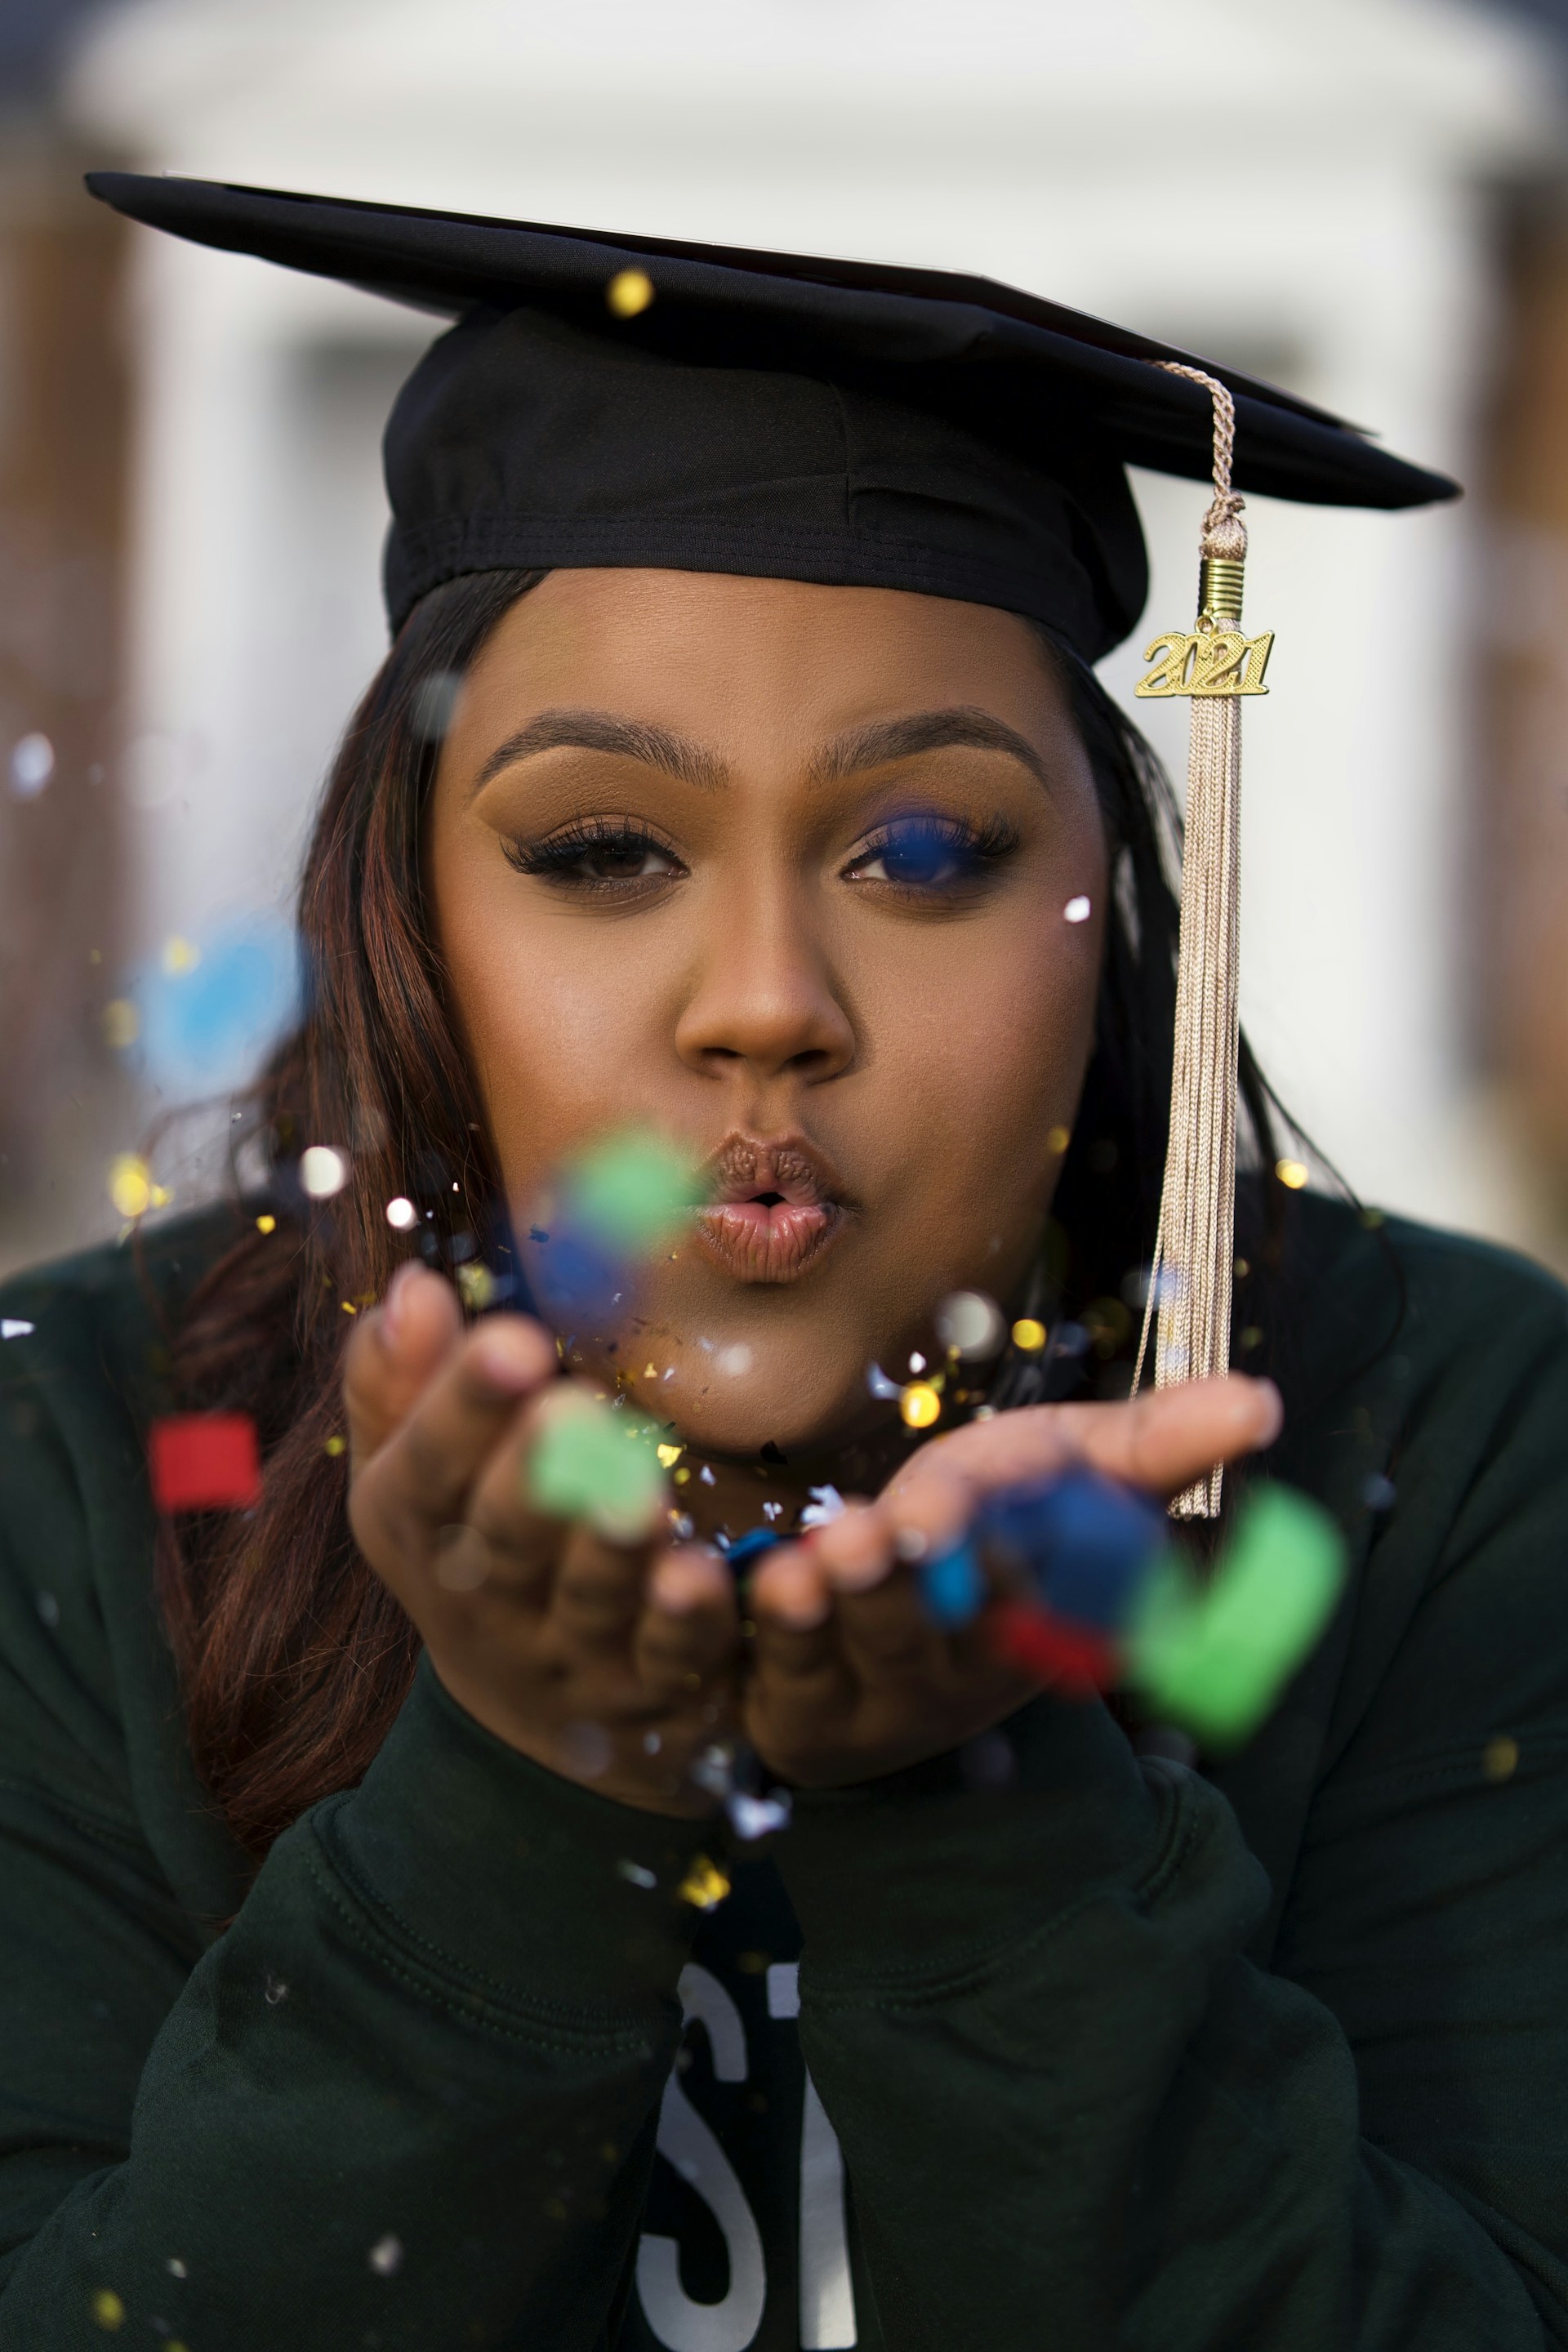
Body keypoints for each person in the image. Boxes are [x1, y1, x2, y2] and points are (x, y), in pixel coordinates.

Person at [0, 174, 1562, 2352]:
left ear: (1110, 912)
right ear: (410, 917)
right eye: (603, 852)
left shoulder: (1427, 1445)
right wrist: (528, 1784)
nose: (764, 1000)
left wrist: (982, 1794)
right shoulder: (84, 1457)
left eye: (924, 849)